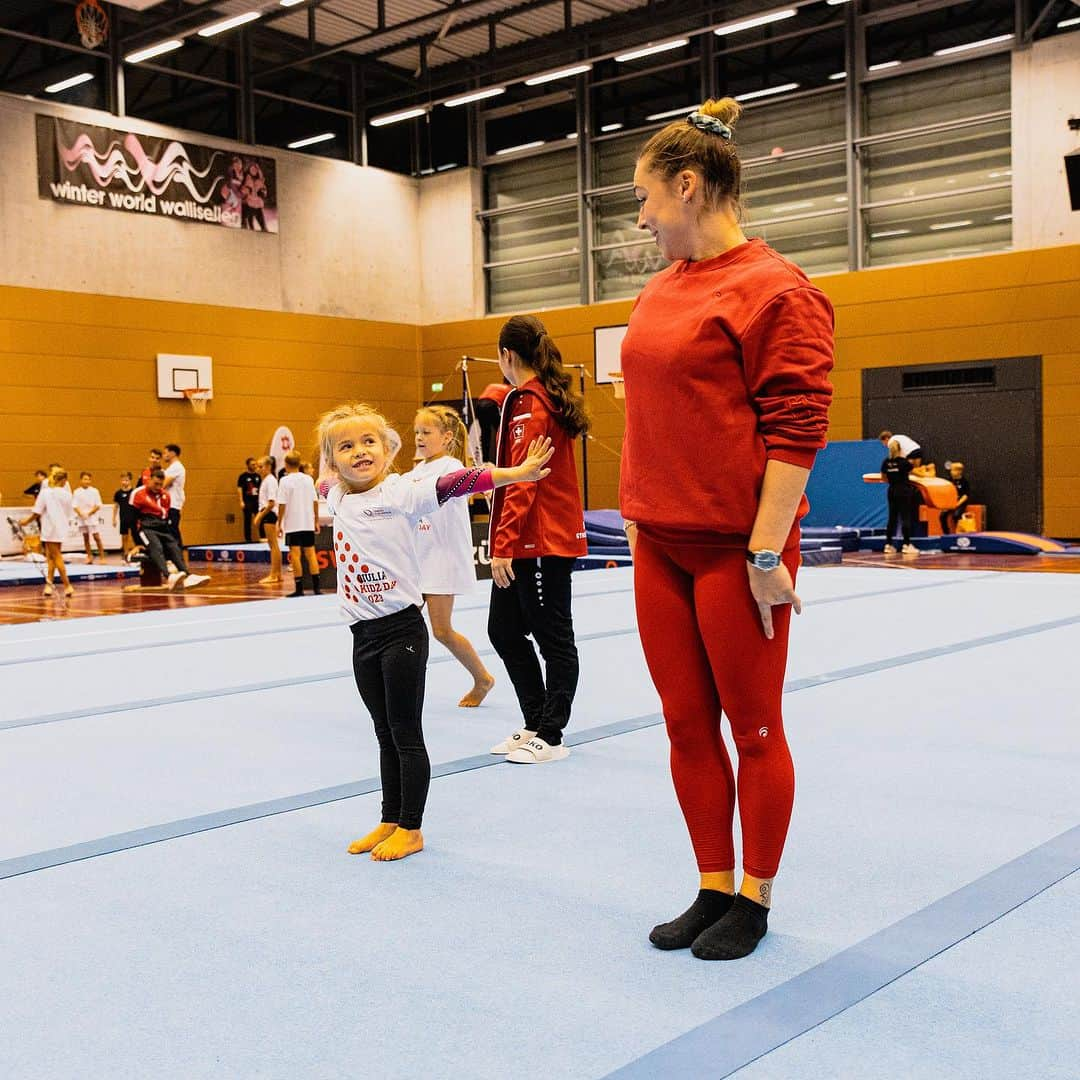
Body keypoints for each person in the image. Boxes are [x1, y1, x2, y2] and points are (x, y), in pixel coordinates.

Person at [622, 98, 834, 961]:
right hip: (656, 542)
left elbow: (797, 429)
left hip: (733, 552)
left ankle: (756, 894)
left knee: (752, 729)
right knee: (682, 724)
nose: (639, 217)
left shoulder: (777, 289)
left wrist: (762, 551)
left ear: (688, 186)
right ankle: (712, 881)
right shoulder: (660, 289)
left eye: (644, 199)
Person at [318, 402, 554, 862]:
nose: (359, 452)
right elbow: (325, 477)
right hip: (362, 636)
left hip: (401, 631)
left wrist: (516, 473)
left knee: (406, 732)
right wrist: (328, 458)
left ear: (388, 450)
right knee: (383, 731)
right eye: (346, 446)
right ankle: (389, 817)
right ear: (333, 457)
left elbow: (457, 482)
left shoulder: (402, 491)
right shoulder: (335, 497)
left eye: (369, 443)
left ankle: (412, 827)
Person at [486, 315, 589, 765]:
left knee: (553, 638)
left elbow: (525, 481)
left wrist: (503, 543)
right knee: (503, 630)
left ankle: (551, 731)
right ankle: (534, 720)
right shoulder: (534, 398)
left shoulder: (530, 404)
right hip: (529, 537)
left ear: (507, 356)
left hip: (541, 540)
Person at [406, 404, 495, 708]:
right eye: (416, 431)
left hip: (441, 558)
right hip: (417, 559)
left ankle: (482, 678)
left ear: (446, 437)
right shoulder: (416, 470)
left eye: (426, 432)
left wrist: (489, 479)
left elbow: (475, 481)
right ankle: (401, 681)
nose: (418, 437)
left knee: (441, 631)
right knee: (401, 622)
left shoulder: (451, 467)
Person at [132, 471, 209, 590]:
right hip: (145, 527)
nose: (158, 487)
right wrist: (137, 543)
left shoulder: (165, 496)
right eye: (156, 484)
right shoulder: (138, 493)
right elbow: (130, 519)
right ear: (150, 480)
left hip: (161, 526)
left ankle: (187, 575)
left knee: (174, 546)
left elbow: (165, 517)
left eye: (160, 485)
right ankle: (168, 576)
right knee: (156, 547)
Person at [20, 468, 75, 597]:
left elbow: (37, 512)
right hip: (61, 528)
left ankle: (67, 585)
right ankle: (49, 585)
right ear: (64, 481)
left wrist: (26, 522)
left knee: (56, 557)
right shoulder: (67, 494)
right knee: (51, 557)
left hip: (50, 528)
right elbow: (69, 513)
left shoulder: (45, 493)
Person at [277, 451, 322, 598]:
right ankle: (317, 588)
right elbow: (315, 501)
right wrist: (315, 520)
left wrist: (279, 523)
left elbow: (282, 504)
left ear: (286, 465)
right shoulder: (308, 479)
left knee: (295, 555)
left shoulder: (285, 481)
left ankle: (299, 588)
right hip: (307, 522)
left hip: (292, 523)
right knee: (311, 554)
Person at [882, 438, 920, 554]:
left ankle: (888, 545)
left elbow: (884, 478)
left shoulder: (886, 462)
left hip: (892, 490)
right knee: (905, 517)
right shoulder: (904, 463)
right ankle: (907, 545)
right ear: (900, 450)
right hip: (903, 491)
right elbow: (917, 473)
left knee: (892, 518)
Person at [252, 455, 282, 585]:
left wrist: (259, 516)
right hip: (267, 514)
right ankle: (277, 573)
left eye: (261, 466)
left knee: (273, 545)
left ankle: (274, 574)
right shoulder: (265, 480)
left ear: (269, 467)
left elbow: (271, 503)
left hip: (268, 514)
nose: (258, 469)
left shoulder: (270, 480)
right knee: (272, 545)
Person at [72, 471, 106, 563]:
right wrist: (81, 514)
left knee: (96, 537)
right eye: (85, 479)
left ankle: (102, 557)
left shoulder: (94, 491)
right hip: (82, 518)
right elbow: (74, 505)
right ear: (81, 480)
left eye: (88, 479)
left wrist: (89, 513)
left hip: (92, 518)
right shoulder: (76, 492)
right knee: (85, 538)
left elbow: (98, 505)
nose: (87, 481)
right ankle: (89, 556)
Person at [476, 380, 511, 465]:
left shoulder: (492, 384)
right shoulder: (509, 390)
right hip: (491, 405)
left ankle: (485, 460)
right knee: (502, 432)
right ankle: (503, 457)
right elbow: (507, 408)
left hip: (479, 406)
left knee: (485, 433)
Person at [162, 444, 186, 544]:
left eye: (165, 453)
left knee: (172, 530)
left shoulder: (176, 467)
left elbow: (163, 484)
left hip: (173, 503)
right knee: (169, 530)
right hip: (168, 504)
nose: (163, 456)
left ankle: (178, 554)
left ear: (172, 453)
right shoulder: (170, 468)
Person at [940, 460, 971, 533]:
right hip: (950, 503)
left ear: (960, 471)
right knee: (942, 516)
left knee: (956, 515)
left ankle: (959, 533)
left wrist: (957, 504)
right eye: (952, 470)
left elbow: (965, 496)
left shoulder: (964, 482)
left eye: (954, 470)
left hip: (960, 503)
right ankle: (946, 534)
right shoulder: (948, 480)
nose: (952, 472)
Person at [113, 472, 138, 557]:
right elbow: (116, 506)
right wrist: (114, 519)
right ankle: (125, 552)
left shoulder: (134, 492)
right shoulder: (118, 493)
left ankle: (136, 550)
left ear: (130, 481)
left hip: (133, 517)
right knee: (124, 536)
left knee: (135, 535)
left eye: (127, 480)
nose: (125, 482)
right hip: (123, 517)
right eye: (123, 480)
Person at [237, 457, 261, 543]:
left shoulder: (258, 476)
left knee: (260, 519)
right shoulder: (243, 476)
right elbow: (239, 489)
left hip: (257, 501)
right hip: (247, 501)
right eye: (252, 464)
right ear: (248, 465)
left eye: (255, 464)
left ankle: (263, 537)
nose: (254, 466)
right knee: (247, 520)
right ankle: (248, 539)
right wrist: (241, 501)